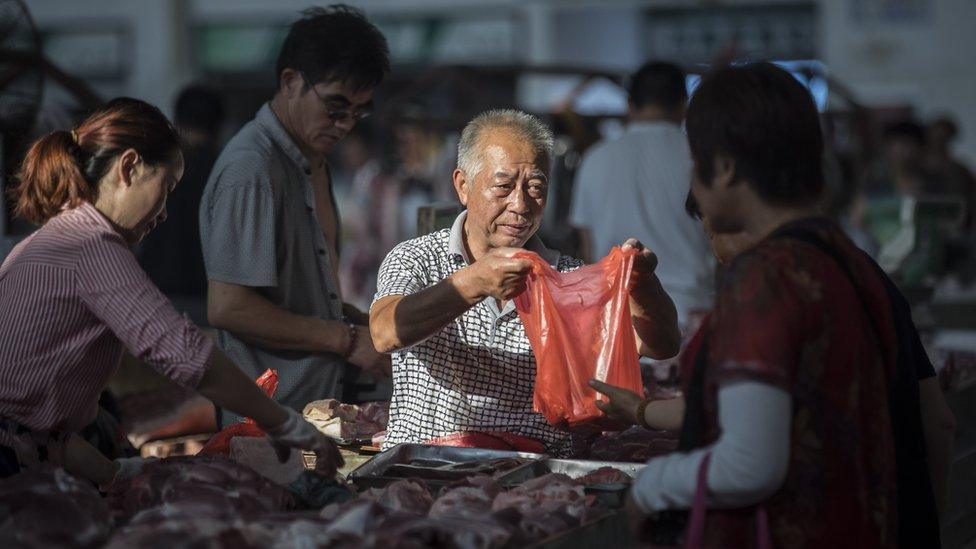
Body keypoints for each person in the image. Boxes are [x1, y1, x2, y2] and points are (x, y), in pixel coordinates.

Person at [590, 63, 952, 548]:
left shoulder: (764, 277)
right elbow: (934, 422)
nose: (693, 182)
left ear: (725, 168)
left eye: (695, 165)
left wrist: (651, 488)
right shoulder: (851, 261)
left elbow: (749, 464)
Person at [0, 98, 341, 486]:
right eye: (167, 186)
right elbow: (185, 355)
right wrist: (283, 422)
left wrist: (117, 476)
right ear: (128, 167)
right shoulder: (89, 241)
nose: (163, 214)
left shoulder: (53, 237)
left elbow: (41, 428)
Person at [368, 109, 681, 457]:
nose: (520, 205)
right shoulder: (416, 258)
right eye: (503, 187)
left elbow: (661, 345)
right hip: (426, 462)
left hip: (535, 473)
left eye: (535, 187)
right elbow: (384, 333)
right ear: (462, 185)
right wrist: (474, 283)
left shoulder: (567, 277)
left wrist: (642, 284)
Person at [200, 5, 391, 424]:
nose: (344, 125)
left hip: (311, 413)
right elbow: (229, 307)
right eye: (336, 107)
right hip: (265, 424)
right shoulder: (252, 169)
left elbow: (302, 298)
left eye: (358, 112)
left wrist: (368, 324)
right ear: (291, 82)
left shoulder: (310, 160)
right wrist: (346, 338)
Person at [569, 61, 713, 325]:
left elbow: (588, 252)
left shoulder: (595, 159)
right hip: (692, 314)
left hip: (619, 319)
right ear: (684, 104)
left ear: (630, 105)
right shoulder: (702, 156)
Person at [139, 85, 224, 302]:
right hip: (209, 298)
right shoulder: (226, 171)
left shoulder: (153, 168)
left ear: (176, 121)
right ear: (218, 127)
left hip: (154, 293)